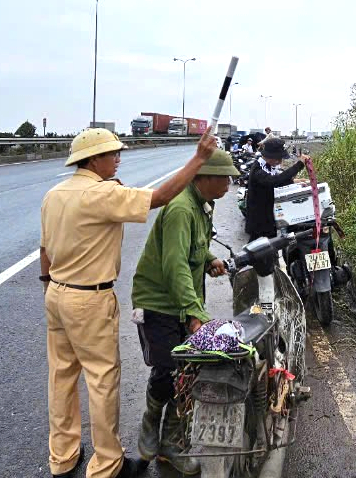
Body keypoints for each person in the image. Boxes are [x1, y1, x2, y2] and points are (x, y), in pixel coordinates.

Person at [39, 128, 216, 478]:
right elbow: (160, 196)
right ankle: (107, 465)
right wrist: (198, 159)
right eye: (112, 153)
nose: (118, 158)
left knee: (61, 378)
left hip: (56, 292)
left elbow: (44, 249)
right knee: (102, 381)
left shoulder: (54, 194)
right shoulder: (102, 194)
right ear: (93, 159)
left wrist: (48, 287)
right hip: (89, 298)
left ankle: (63, 456)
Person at [130, 148, 238, 474]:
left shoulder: (202, 205)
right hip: (159, 303)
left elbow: (195, 246)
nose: (229, 183)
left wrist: (209, 260)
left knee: (188, 371)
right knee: (167, 370)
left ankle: (171, 443)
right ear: (205, 177)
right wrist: (194, 313)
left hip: (182, 300)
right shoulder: (180, 208)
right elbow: (175, 265)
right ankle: (151, 424)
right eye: (225, 178)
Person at [245, 138, 310, 244]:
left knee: (268, 249)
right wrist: (299, 165)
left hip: (268, 219)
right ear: (270, 156)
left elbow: (277, 181)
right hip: (259, 222)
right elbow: (274, 181)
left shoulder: (267, 167)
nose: (280, 162)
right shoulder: (258, 170)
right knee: (257, 250)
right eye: (278, 158)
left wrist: (296, 182)